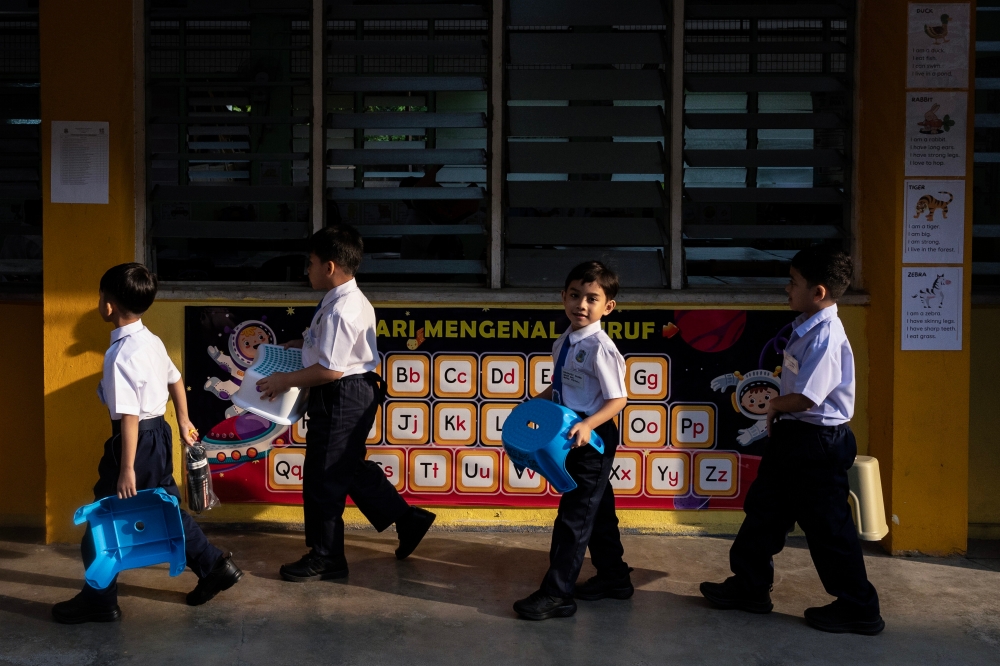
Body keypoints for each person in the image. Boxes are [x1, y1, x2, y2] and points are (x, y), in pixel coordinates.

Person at [700, 246, 884, 635]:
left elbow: (807, 398)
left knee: (828, 527)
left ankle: (858, 606)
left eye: (793, 282)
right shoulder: (808, 325)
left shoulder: (826, 336)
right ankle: (750, 586)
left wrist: (772, 406)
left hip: (816, 442)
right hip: (796, 436)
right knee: (765, 510)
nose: (786, 288)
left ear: (818, 292)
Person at [53, 263, 243, 624]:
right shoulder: (151, 341)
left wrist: (126, 469)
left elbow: (128, 416)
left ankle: (100, 599)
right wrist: (184, 421)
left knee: (100, 520)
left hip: (134, 443)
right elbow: (176, 379)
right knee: (166, 507)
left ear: (108, 306)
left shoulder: (120, 355)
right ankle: (213, 565)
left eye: (100, 297)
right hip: (157, 438)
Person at [257, 225, 436, 581]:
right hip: (348, 391)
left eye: (310, 263)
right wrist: (300, 346)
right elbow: (326, 350)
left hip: (344, 393)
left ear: (329, 267)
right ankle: (408, 519)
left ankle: (326, 556)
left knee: (326, 474)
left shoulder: (343, 309)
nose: (306, 270)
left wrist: (282, 381)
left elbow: (331, 370)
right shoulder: (338, 299)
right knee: (344, 466)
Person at [513, 261, 631, 620]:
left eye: (592, 298)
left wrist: (589, 425)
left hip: (590, 438)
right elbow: (563, 388)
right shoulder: (564, 340)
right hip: (569, 431)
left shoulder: (601, 348)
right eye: (575, 295)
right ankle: (614, 578)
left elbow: (618, 399)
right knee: (597, 511)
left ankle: (557, 593)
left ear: (607, 306)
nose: (581, 304)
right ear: (563, 296)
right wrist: (538, 400)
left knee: (574, 518)